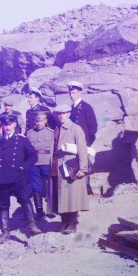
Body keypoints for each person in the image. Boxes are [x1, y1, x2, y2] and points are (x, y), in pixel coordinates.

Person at [0, 112, 41, 242]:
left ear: (15, 124)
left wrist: (24, 167)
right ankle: (5, 233)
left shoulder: (22, 140)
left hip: (18, 177)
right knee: (3, 205)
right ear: (1, 126)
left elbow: (33, 156)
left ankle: (32, 226)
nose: (8, 127)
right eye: (5, 125)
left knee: (25, 201)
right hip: (2, 179)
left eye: (10, 124)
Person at [50, 100, 89, 234]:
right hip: (58, 168)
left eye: (63, 113)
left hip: (71, 167)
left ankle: (72, 224)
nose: (60, 116)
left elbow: (82, 149)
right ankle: (64, 223)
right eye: (58, 114)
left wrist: (83, 168)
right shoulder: (57, 129)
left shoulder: (76, 129)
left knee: (72, 196)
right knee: (61, 196)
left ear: (69, 114)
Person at [25, 111, 54, 219]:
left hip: (47, 161)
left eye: (41, 121)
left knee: (50, 185)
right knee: (35, 186)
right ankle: (39, 210)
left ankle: (51, 209)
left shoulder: (51, 132)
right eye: (37, 121)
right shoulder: (29, 133)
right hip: (34, 163)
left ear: (46, 121)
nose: (38, 123)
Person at [67, 81, 98, 146]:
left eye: (73, 93)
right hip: (72, 142)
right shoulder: (71, 108)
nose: (71, 95)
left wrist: (86, 142)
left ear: (79, 93)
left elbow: (93, 128)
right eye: (70, 93)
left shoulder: (86, 107)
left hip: (83, 142)